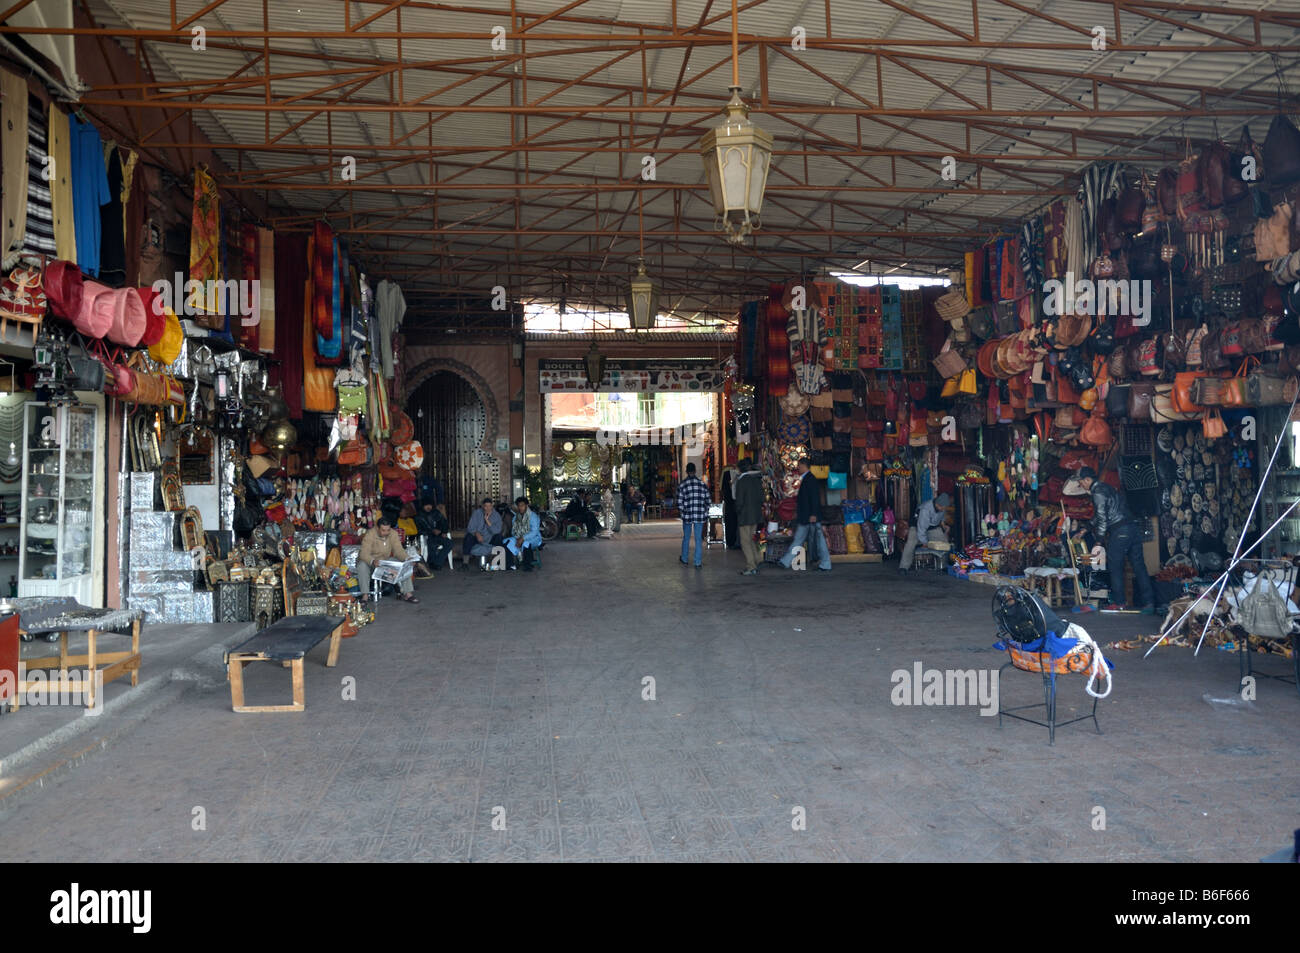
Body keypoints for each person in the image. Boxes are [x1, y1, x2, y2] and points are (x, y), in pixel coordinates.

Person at [1073, 467, 1160, 614]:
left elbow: (1102, 518)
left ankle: (1119, 602)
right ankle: (1149, 603)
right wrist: (1086, 528)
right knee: (1139, 566)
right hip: (1133, 527)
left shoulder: (1097, 492)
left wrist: (1099, 541)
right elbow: (1103, 514)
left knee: (1115, 565)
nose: (1080, 485)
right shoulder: (1106, 488)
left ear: (1088, 480)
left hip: (1120, 531)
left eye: (1081, 482)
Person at [779, 458, 831, 571]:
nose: (798, 468)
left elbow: (814, 499)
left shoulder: (810, 479)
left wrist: (813, 514)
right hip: (807, 516)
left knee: (818, 540)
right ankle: (786, 561)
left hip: (810, 516)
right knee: (800, 539)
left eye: (799, 465)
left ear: (804, 465)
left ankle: (826, 563)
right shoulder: (808, 479)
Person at [358, 518, 419, 603]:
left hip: (385, 562)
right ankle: (365, 596)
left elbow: (398, 550)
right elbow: (363, 553)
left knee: (405, 564)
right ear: (377, 528)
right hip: (371, 563)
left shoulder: (393, 534)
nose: (386, 533)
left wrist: (407, 558)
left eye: (388, 530)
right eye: (383, 530)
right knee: (362, 565)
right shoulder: (370, 534)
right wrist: (373, 561)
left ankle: (408, 594)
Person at [899, 492, 951, 573]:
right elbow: (921, 528)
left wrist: (943, 525)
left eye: (944, 508)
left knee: (944, 543)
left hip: (932, 527)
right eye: (942, 508)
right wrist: (925, 542)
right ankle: (904, 567)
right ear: (937, 504)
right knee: (911, 542)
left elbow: (941, 517)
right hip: (917, 526)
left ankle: (943, 566)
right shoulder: (925, 509)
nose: (943, 509)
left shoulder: (942, 507)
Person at [733, 459, 765, 576]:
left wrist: (738, 511)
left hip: (745, 516)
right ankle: (758, 559)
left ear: (739, 469)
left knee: (745, 542)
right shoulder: (756, 480)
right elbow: (762, 498)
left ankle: (751, 566)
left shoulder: (741, 482)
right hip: (756, 515)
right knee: (752, 539)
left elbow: (739, 501)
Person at [677, 461, 711, 568]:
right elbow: (708, 502)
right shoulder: (702, 484)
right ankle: (697, 562)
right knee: (698, 539)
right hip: (700, 516)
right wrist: (703, 510)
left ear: (686, 471)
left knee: (686, 537)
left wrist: (684, 511)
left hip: (687, 515)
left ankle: (685, 558)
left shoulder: (682, 485)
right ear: (695, 471)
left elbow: (679, 502)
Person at [505, 497, 543, 571]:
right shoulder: (515, 517)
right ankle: (510, 564)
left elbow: (534, 532)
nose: (520, 507)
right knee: (507, 541)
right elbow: (513, 531)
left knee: (526, 543)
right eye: (518, 506)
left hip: (534, 539)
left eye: (522, 505)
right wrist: (517, 538)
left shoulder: (533, 516)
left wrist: (522, 538)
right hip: (519, 537)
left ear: (526, 505)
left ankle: (528, 565)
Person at [462, 497, 504, 566]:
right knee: (468, 537)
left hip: (490, 538)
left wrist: (487, 521)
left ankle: (495, 561)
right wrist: (476, 533)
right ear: (483, 506)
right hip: (478, 537)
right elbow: (470, 527)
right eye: (486, 506)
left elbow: (497, 531)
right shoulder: (477, 513)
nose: (488, 508)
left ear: (492, 506)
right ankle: (465, 563)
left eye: (489, 506)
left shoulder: (496, 515)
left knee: (499, 537)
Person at [415, 497, 452, 569]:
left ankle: (436, 562)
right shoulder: (418, 516)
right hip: (427, 536)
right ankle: (434, 563)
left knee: (449, 543)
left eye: (430, 505)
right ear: (423, 506)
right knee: (432, 543)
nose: (428, 507)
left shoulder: (436, 513)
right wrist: (431, 531)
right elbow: (418, 530)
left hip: (439, 535)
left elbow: (444, 523)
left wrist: (444, 532)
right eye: (426, 505)